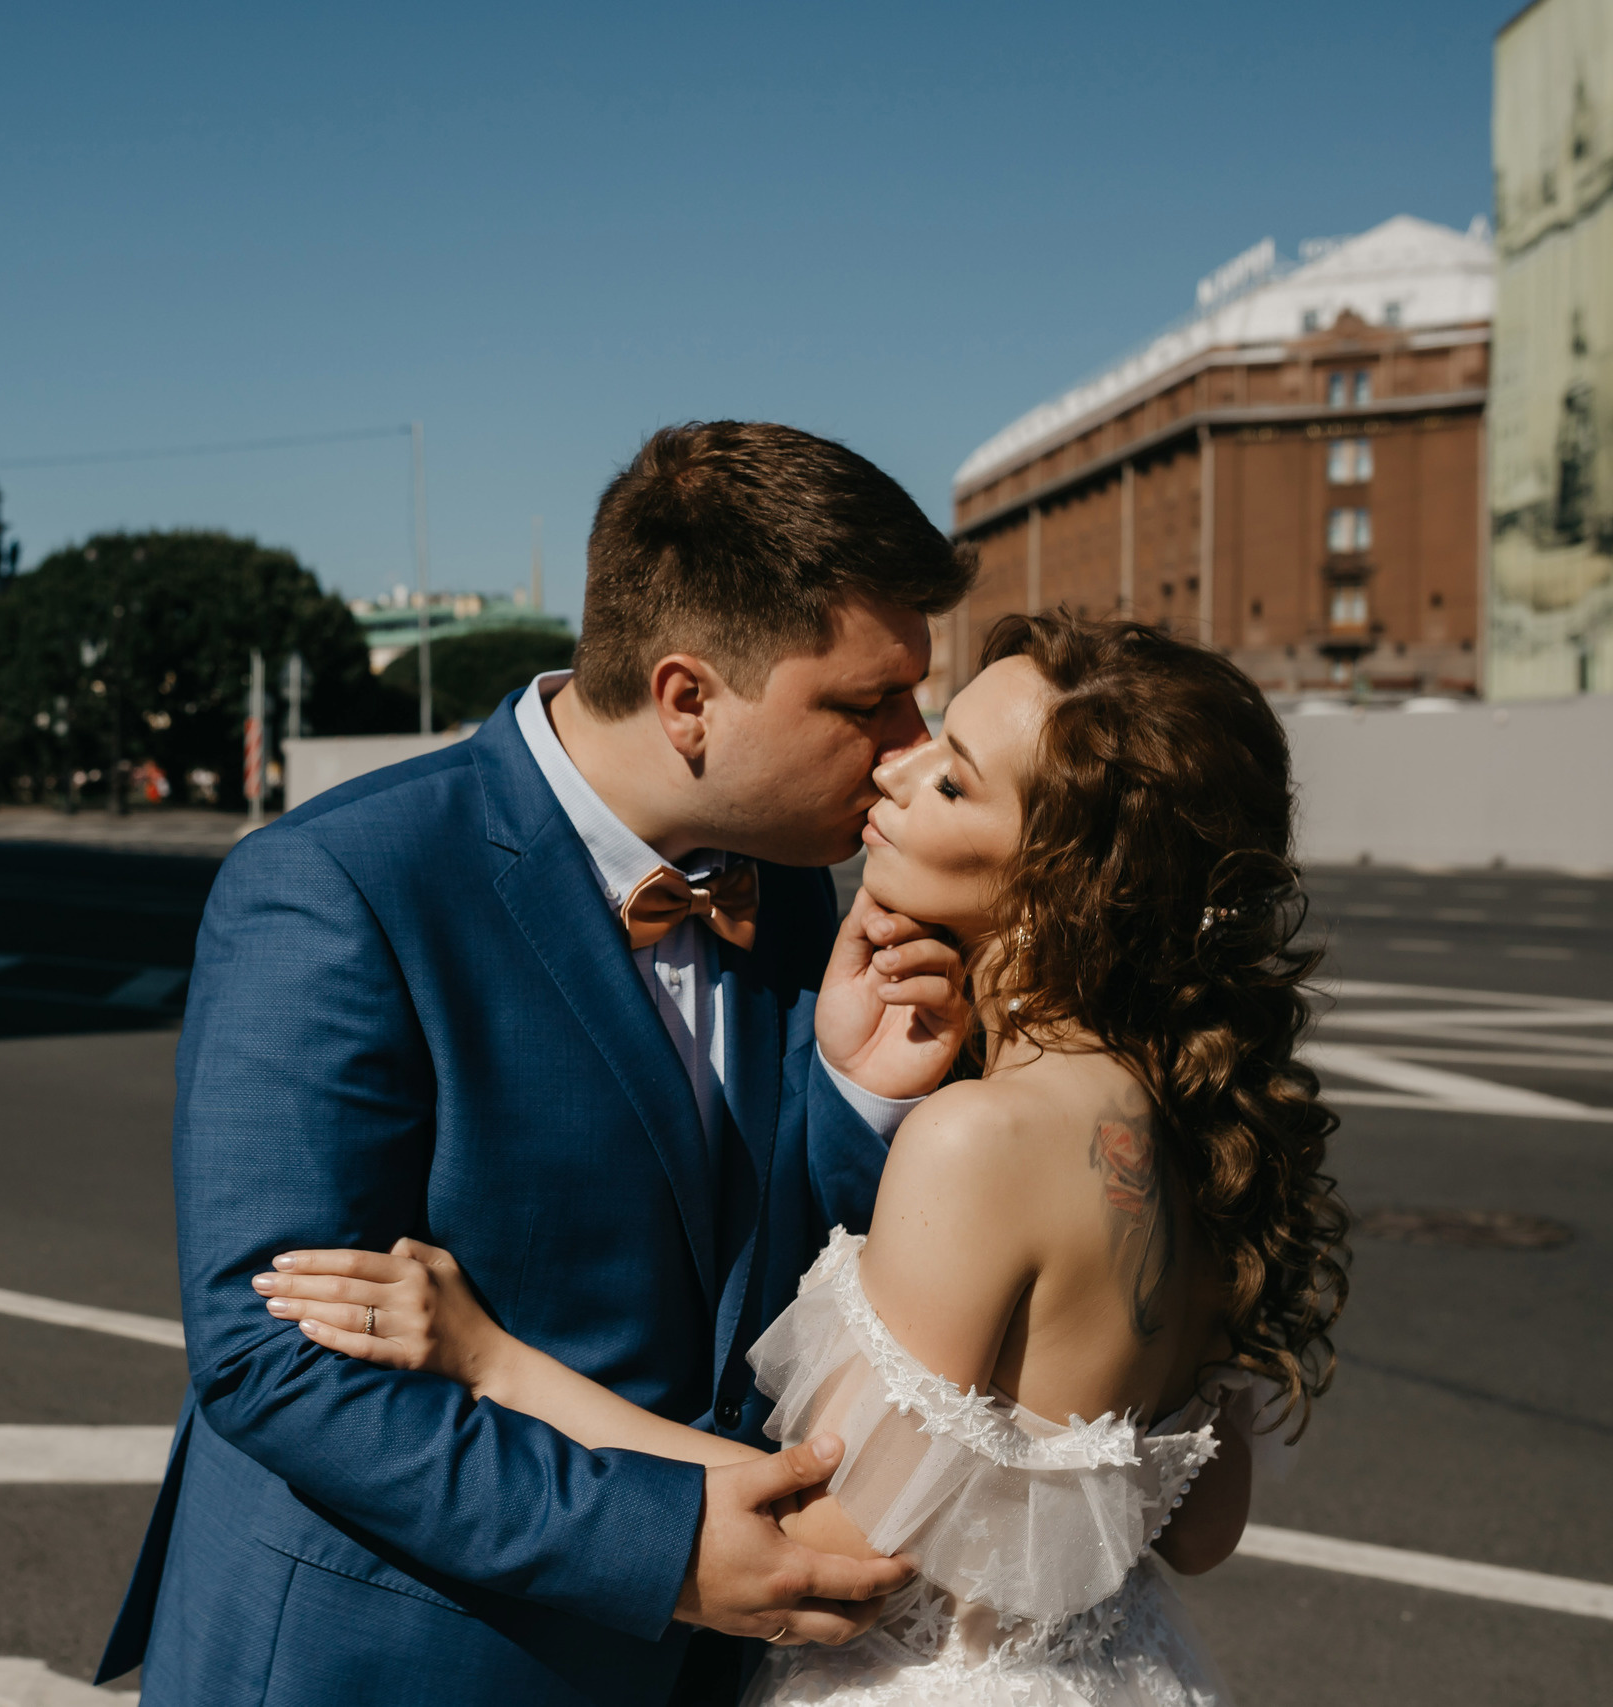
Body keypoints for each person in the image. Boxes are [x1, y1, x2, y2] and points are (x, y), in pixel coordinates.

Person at [257, 611, 1350, 1706]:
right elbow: (1200, 1530)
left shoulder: (980, 1138)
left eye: (954, 782)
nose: (899, 762)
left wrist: (497, 1365)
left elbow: (833, 1540)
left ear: (1070, 886)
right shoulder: (1203, 1127)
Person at [98, 423, 980, 1705]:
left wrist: (861, 1094)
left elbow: (772, 1271)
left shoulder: (790, 886)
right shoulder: (339, 885)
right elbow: (270, 1354)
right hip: (399, 1657)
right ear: (688, 700)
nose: (909, 746)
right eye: (866, 703)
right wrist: (661, 1547)